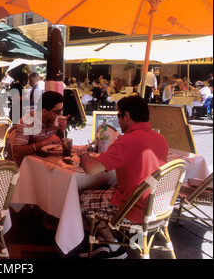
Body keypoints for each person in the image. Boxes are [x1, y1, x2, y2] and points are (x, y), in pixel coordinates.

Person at [76, 95, 169, 259]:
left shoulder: (127, 141)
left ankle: (112, 245)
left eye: (118, 116)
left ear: (126, 115)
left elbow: (90, 169)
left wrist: (82, 153)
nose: (118, 121)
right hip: (158, 206)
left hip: (133, 207)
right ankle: (107, 241)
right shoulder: (161, 139)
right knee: (103, 189)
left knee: (78, 198)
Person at [12, 91, 68, 165]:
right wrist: (44, 142)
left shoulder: (54, 121)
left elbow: (60, 144)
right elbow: (17, 152)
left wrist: (62, 129)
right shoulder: (27, 122)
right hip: (30, 167)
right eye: (57, 112)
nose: (60, 115)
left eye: (61, 111)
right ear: (44, 111)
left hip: (50, 162)